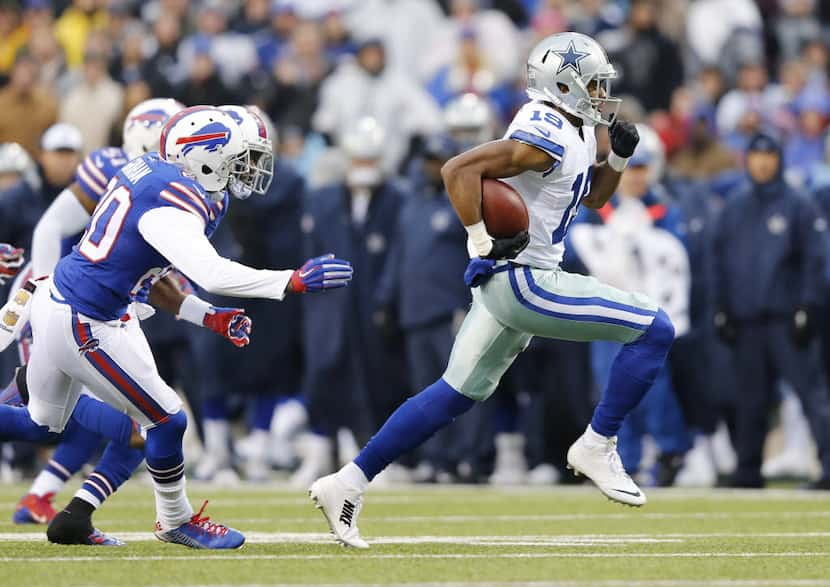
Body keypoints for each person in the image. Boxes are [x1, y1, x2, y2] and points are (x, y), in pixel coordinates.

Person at [310, 31, 675, 549]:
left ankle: (346, 481)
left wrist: (615, 159)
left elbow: (591, 200)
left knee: (453, 393)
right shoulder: (544, 126)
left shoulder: (571, 129)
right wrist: (480, 238)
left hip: (513, 284)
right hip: (526, 279)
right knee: (654, 328)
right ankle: (597, 443)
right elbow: (458, 168)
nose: (600, 93)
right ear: (563, 86)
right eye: (592, 83)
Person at [18, 106, 354, 549]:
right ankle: (175, 520)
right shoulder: (173, 200)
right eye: (243, 157)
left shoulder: (158, 175)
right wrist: (290, 281)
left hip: (68, 302)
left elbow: (146, 271)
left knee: (43, 419)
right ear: (205, 157)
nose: (251, 169)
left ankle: (76, 514)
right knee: (167, 418)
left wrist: (208, 316)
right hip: (88, 319)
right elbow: (212, 272)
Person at [712, 130, 830, 489]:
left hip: (786, 318)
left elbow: (814, 259)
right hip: (746, 321)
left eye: (769, 156)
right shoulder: (734, 207)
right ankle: (748, 470)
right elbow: (718, 261)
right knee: (750, 399)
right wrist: (721, 308)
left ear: (779, 160)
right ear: (747, 160)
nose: (762, 163)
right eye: (756, 156)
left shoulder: (798, 204)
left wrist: (808, 306)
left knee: (810, 394)